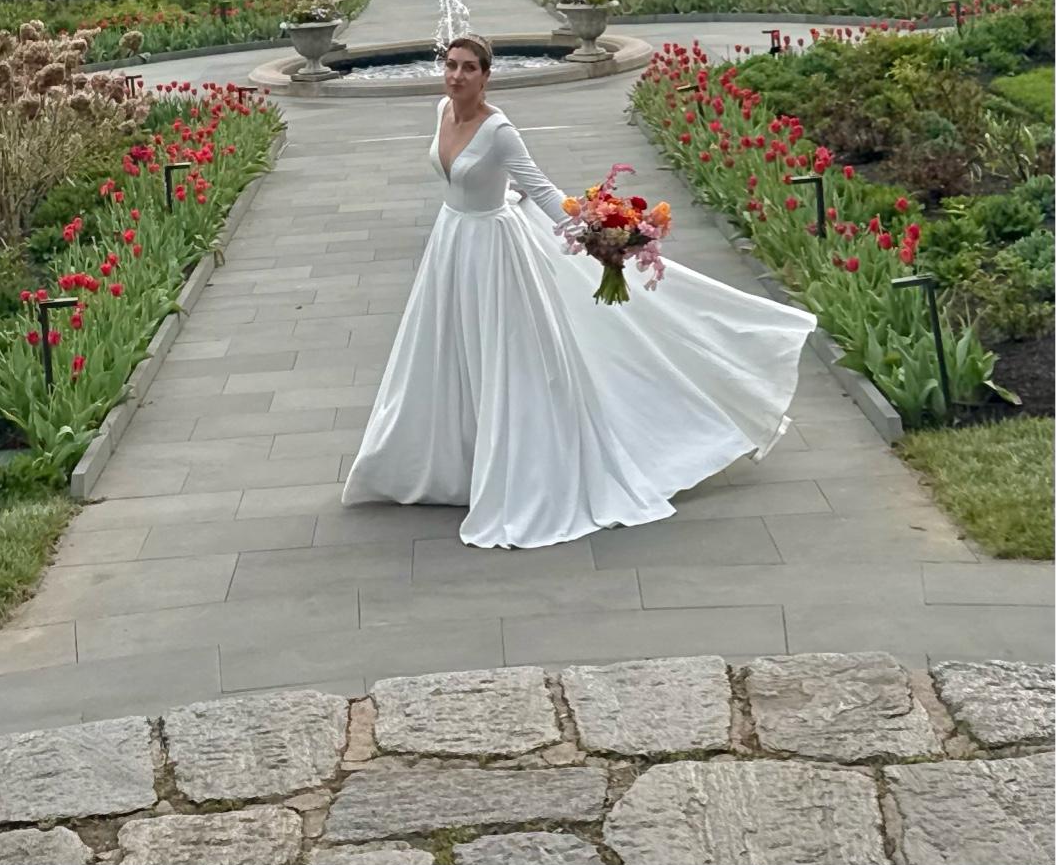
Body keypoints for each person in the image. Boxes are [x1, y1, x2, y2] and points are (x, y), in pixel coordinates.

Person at [342, 34, 816, 549]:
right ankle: (454, 463)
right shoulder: (441, 111)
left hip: (493, 252)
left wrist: (597, 235)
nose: (456, 76)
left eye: (469, 68)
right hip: (451, 244)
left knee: (508, 358)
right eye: (451, 65)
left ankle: (528, 465)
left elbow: (541, 188)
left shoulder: (499, 131)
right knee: (447, 350)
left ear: (486, 75)